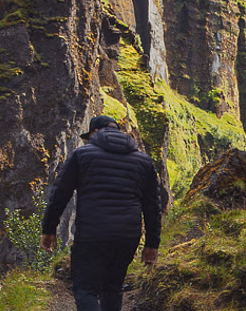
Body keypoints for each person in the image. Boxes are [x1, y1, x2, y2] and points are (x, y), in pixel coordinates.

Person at [41, 115, 161, 311]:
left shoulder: (81, 155)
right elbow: (152, 206)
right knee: (112, 289)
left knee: (85, 289)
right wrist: (152, 244)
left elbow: (60, 193)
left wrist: (49, 229)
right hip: (127, 235)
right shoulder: (144, 161)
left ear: (95, 132)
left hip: (92, 234)